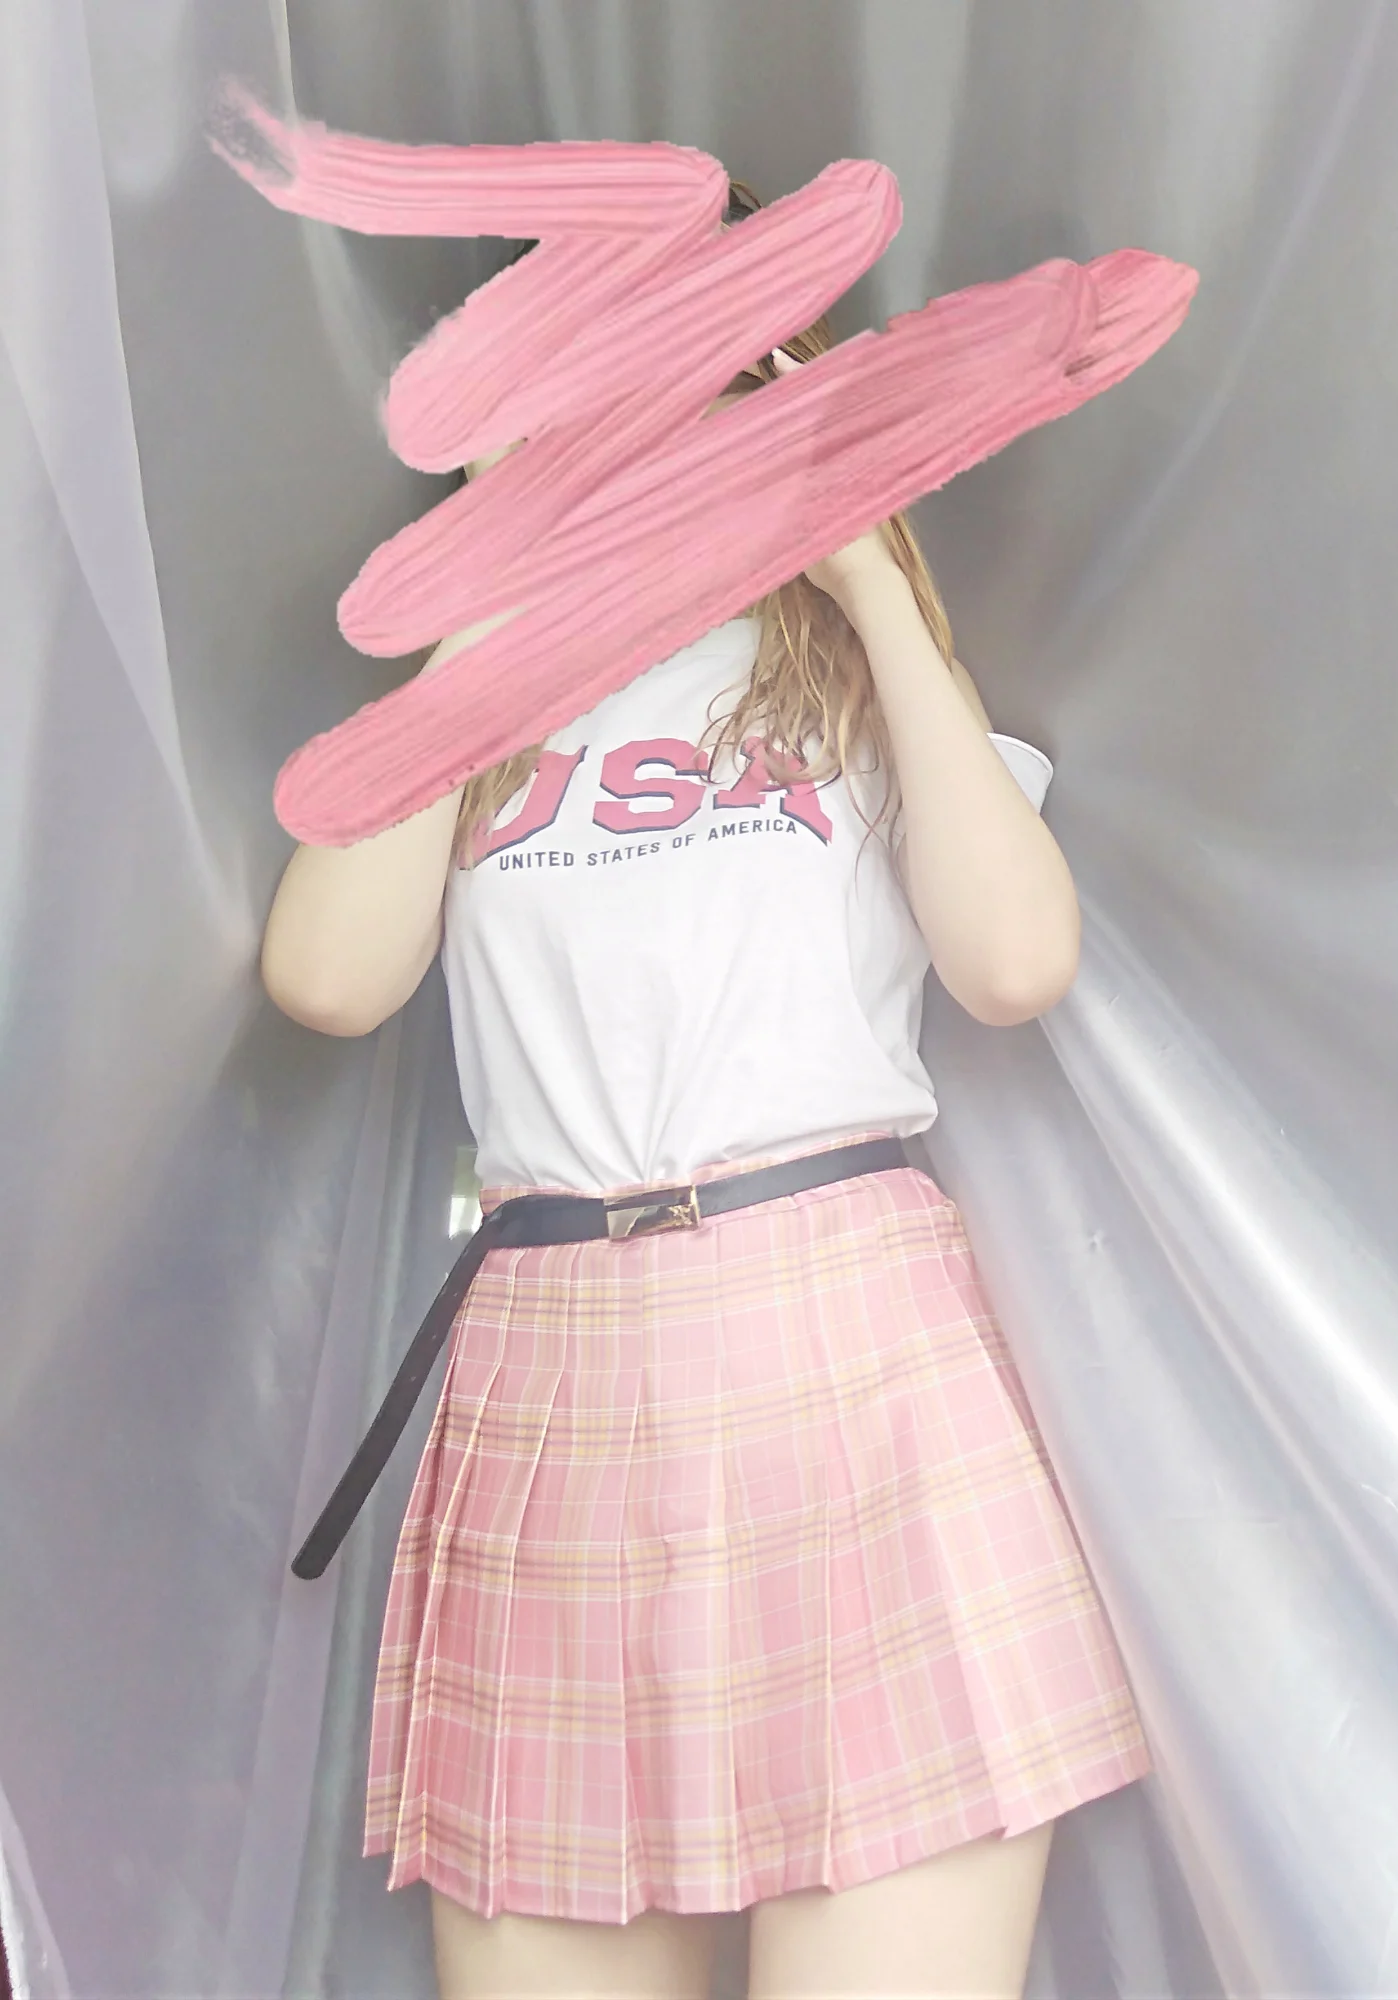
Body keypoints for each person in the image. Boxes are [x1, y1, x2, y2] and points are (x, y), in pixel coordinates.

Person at [259, 190, 1150, 2000]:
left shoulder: (851, 672)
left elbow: (1014, 964)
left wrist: (868, 572)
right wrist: (482, 603)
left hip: (848, 1363)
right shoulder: (487, 693)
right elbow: (328, 983)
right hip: (553, 1373)